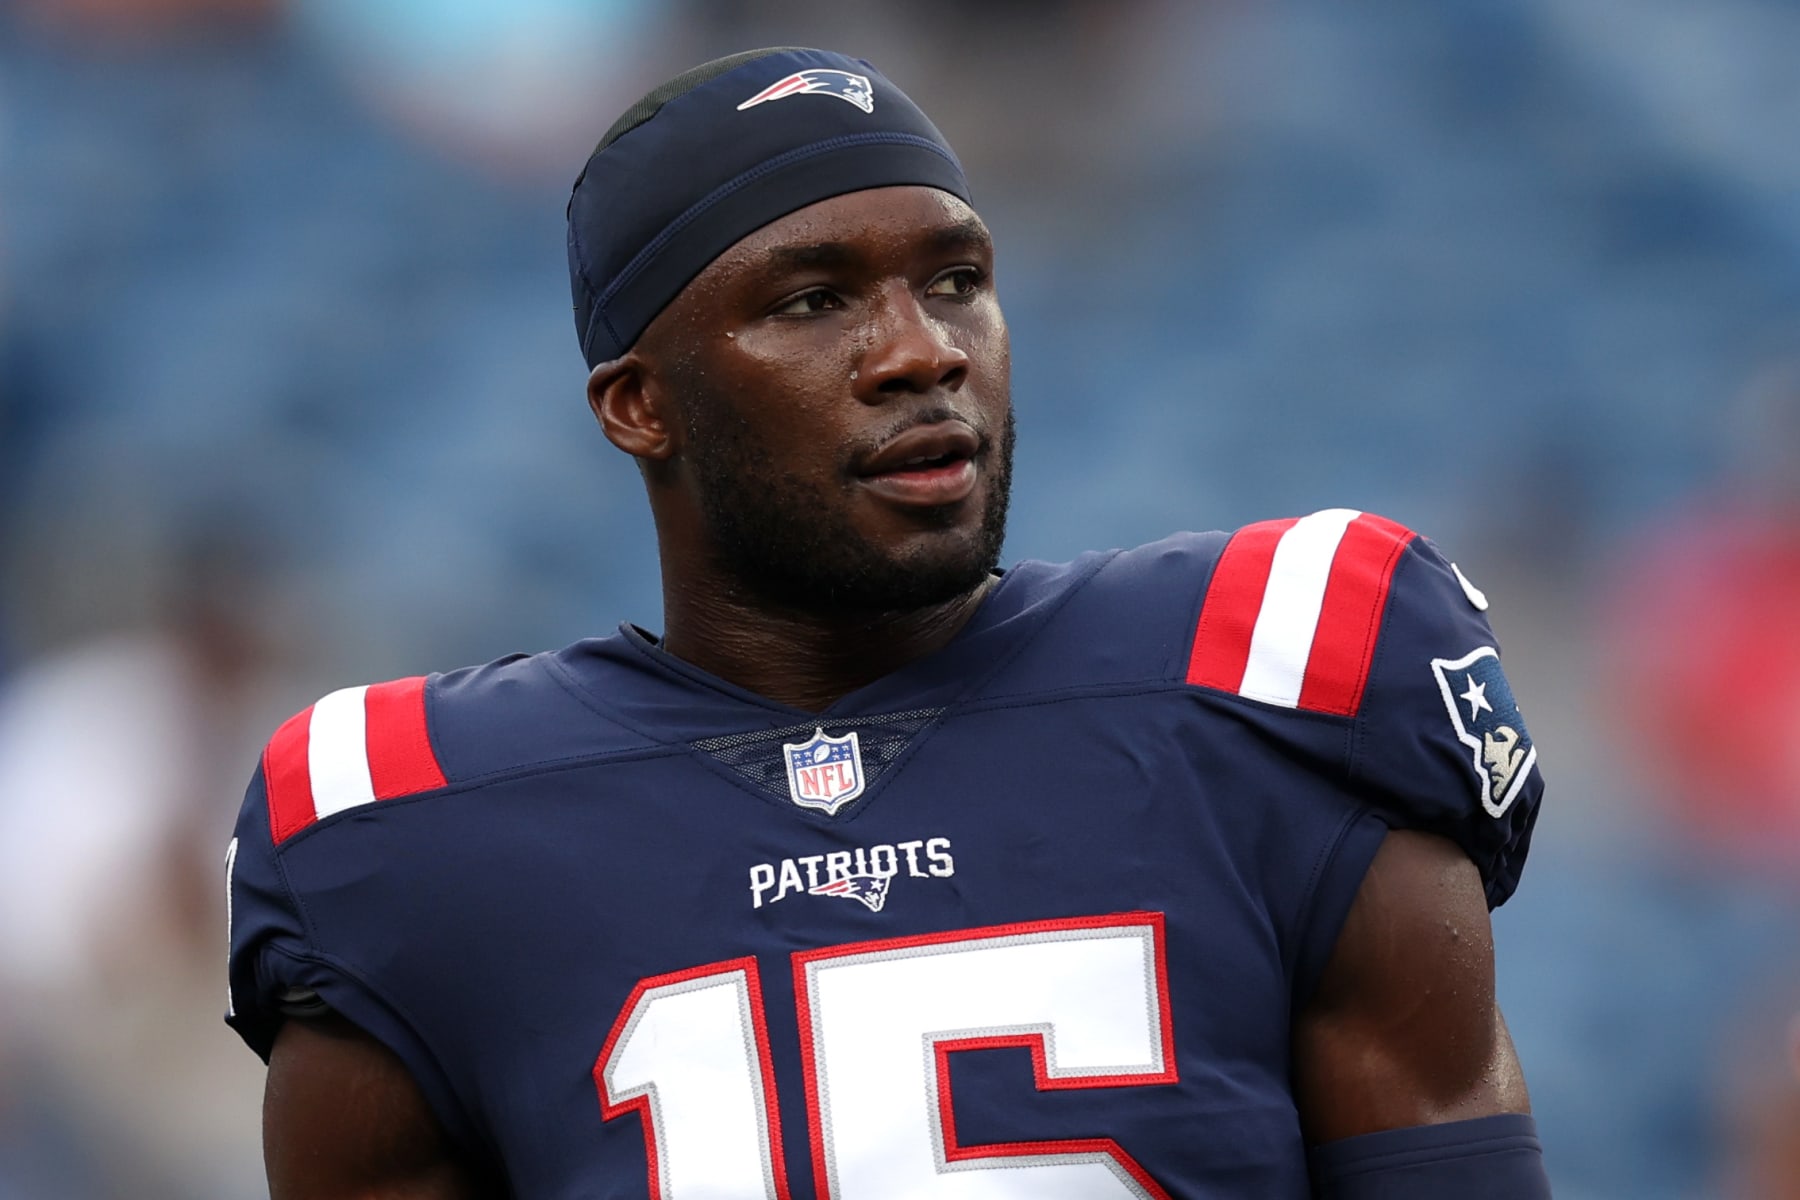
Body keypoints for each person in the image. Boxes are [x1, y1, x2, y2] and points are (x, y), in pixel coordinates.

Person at [225, 47, 1549, 1199]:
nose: (925, 350)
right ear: (640, 406)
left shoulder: (1282, 676)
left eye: (958, 279)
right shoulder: (396, 830)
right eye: (814, 301)